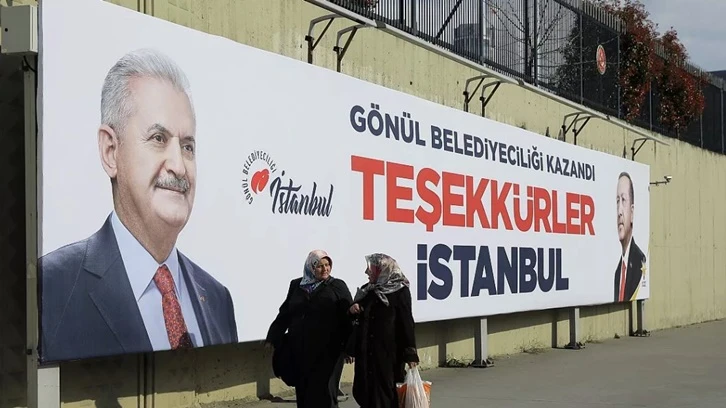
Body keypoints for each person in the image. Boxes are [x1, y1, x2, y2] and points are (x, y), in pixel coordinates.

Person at [39, 48, 238, 364]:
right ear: (110, 151)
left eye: (188, 146)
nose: (179, 166)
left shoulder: (217, 299)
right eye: (158, 138)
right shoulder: (48, 289)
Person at [265, 250, 353, 408]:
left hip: (329, 350)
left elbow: (347, 317)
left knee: (325, 392)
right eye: (320, 266)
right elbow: (285, 314)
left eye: (327, 265)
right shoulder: (297, 285)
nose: (325, 269)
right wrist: (273, 337)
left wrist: (350, 347)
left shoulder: (337, 286)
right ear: (310, 267)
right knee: (304, 391)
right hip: (301, 350)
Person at [346, 253, 420, 408]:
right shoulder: (368, 291)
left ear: (383, 270)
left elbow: (406, 323)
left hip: (388, 356)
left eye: (372, 269)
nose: (367, 272)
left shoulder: (400, 292)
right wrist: (353, 309)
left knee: (386, 394)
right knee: (365, 392)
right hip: (366, 355)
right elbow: (357, 321)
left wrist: (410, 353)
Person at [614, 172, 647, 302]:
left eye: (623, 200)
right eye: (617, 201)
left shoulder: (640, 260)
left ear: (632, 212)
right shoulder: (617, 273)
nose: (619, 211)